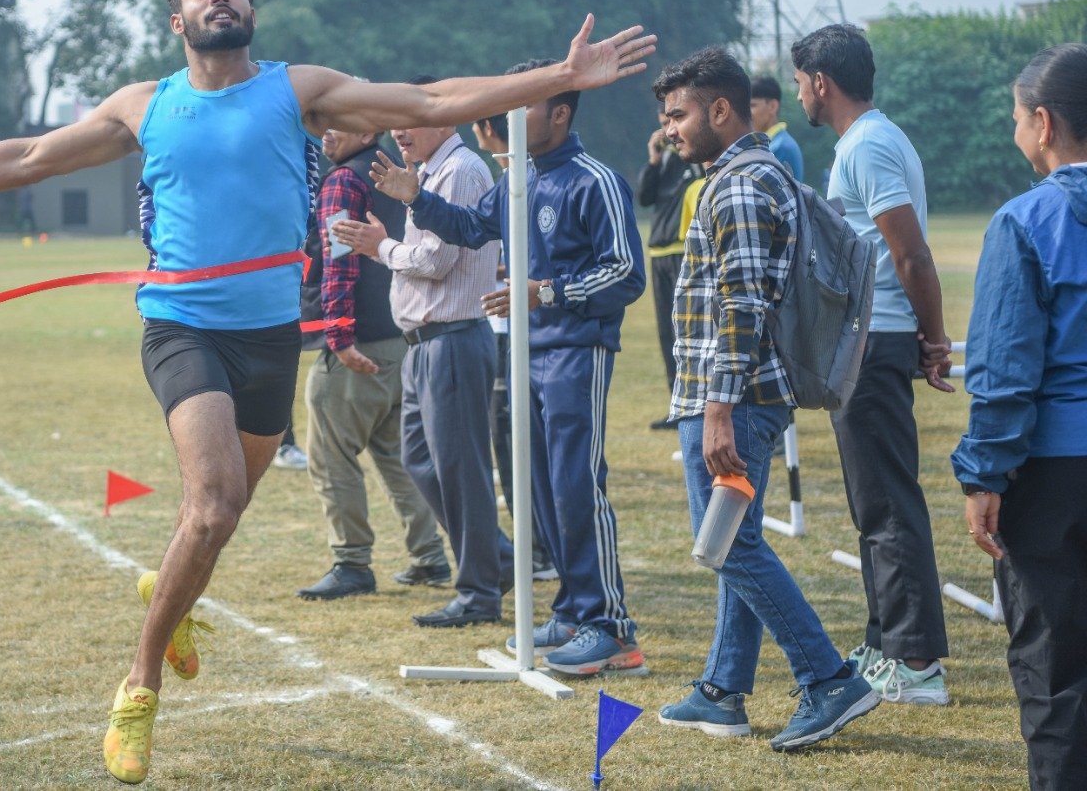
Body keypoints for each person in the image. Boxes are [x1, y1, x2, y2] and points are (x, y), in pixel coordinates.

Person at [0, 0, 656, 784]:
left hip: (270, 339)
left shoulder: (299, 91)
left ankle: (174, 597)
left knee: (217, 513)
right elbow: (30, 155)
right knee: (214, 502)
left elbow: (432, 98)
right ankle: (140, 681)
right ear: (176, 15)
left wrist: (559, 77)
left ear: (252, 6)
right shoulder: (144, 104)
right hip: (182, 326)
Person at [354, 61, 649, 676]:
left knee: (576, 483)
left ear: (560, 112)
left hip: (576, 349)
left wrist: (549, 292)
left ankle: (611, 627)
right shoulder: (521, 178)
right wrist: (417, 199)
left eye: (526, 105)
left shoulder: (595, 181)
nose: (509, 116)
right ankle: (572, 611)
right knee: (539, 489)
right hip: (524, 350)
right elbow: (470, 228)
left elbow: (626, 273)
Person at [652, 47, 879, 751]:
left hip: (735, 400)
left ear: (721, 109)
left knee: (729, 547)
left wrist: (717, 409)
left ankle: (829, 677)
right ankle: (723, 691)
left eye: (679, 115)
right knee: (734, 542)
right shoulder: (750, 175)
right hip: (738, 396)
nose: (669, 130)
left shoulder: (739, 187)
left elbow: (742, 305)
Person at [793, 23, 953, 704]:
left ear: (820, 82)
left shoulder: (869, 145)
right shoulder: (860, 143)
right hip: (862, 339)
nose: (798, 93)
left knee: (887, 504)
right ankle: (886, 639)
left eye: (799, 82)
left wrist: (934, 337)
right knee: (872, 504)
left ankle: (917, 662)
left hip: (875, 338)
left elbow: (911, 254)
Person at [952, 43, 1087, 791]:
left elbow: (1005, 371)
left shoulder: (1024, 221)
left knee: (1054, 665)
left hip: (1051, 474)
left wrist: (984, 474)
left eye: (1014, 118)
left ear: (1044, 124)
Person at [333, 85, 509, 628]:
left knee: (461, 472)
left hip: (452, 338)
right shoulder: (430, 172)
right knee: (421, 461)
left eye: (409, 120)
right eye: (394, 122)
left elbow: (436, 261)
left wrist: (380, 247)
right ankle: (497, 558)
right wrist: (384, 245)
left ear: (445, 118)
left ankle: (480, 592)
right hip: (426, 344)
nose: (399, 132)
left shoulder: (459, 171)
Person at [295, 127, 449, 600]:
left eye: (337, 123)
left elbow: (339, 262)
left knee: (331, 457)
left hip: (357, 345)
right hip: (400, 336)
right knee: (397, 456)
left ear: (366, 128)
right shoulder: (397, 173)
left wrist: (339, 336)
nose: (324, 133)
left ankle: (352, 562)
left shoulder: (344, 180)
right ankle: (430, 555)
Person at [472, 112, 556, 580]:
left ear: (488, 130)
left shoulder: (524, 179)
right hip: (503, 325)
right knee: (506, 436)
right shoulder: (507, 180)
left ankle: (541, 547)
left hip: (523, 329)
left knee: (518, 439)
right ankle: (534, 544)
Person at [636, 110, 704, 429]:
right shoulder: (663, 160)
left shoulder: (693, 154)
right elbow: (644, 197)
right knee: (667, 333)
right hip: (658, 252)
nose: (667, 130)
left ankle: (695, 403)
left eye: (672, 122)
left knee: (686, 331)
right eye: (662, 124)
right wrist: (652, 160)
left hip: (681, 251)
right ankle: (677, 404)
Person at [750, 74, 804, 182]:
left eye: (752, 105)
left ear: (773, 106)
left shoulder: (780, 148)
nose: (746, 112)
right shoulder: (771, 144)